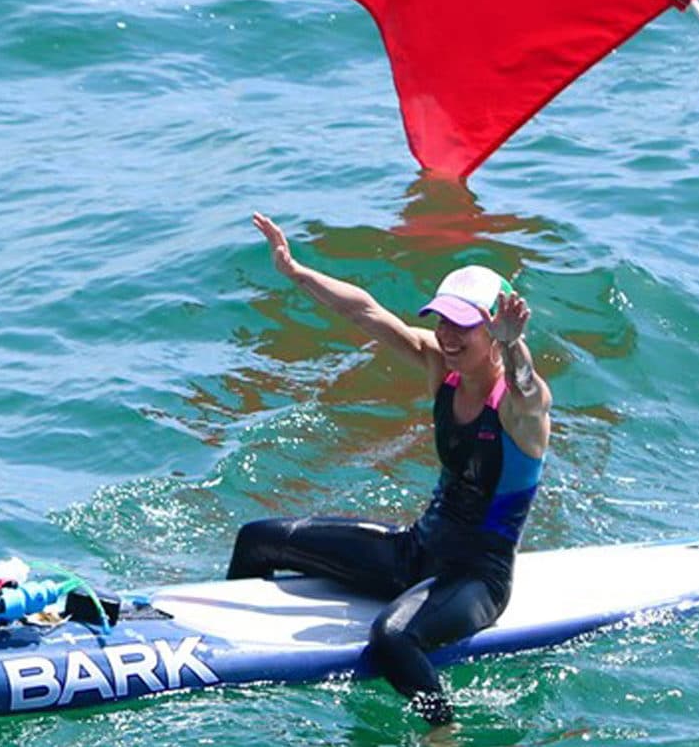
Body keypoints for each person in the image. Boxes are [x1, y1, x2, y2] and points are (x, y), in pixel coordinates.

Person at [228, 212, 553, 726]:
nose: (446, 334)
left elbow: (529, 391)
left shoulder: (516, 407)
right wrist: (295, 272)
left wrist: (514, 347)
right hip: (416, 552)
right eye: (442, 320)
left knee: (393, 637)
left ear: (493, 331)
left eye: (462, 325)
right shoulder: (439, 369)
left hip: (476, 579)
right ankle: (228, 654)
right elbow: (366, 312)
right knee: (257, 540)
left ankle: (443, 729)